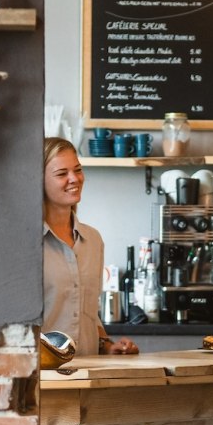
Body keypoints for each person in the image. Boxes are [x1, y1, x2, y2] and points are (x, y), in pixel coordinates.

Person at [43, 137, 138, 356]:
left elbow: (88, 312)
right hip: (44, 376)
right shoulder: (27, 244)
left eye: (77, 170)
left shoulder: (93, 240)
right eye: (61, 174)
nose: (74, 179)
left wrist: (106, 345)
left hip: (88, 371)